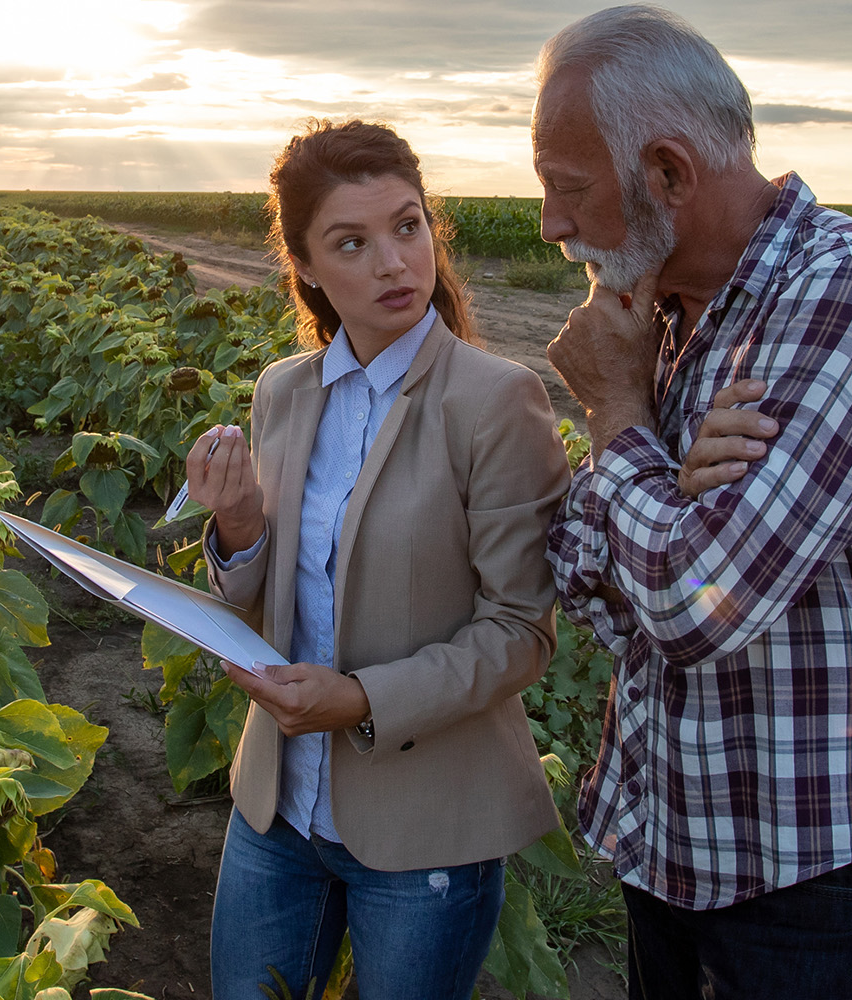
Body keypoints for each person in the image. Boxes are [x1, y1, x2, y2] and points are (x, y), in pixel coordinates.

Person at [536, 6, 852, 999]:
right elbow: (593, 587)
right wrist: (666, 485)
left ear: (669, 175)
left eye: (567, 190)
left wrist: (613, 414)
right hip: (672, 842)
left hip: (808, 869)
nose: (553, 225)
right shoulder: (671, 321)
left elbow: (694, 604)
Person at [183, 119, 572, 999]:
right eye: (352, 243)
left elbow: (521, 634)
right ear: (309, 269)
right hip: (278, 807)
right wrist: (240, 527)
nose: (394, 262)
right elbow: (268, 607)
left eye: (407, 226)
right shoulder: (285, 392)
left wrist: (358, 700)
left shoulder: (495, 400)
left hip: (425, 826)